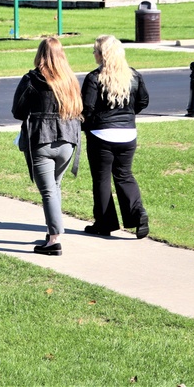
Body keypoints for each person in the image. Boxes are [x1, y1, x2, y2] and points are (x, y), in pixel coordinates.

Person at [12, 37, 83, 256]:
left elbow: (17, 111)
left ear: (41, 54)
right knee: (55, 186)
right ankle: (53, 233)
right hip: (69, 140)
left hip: (43, 139)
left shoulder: (32, 79)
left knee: (48, 191)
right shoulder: (70, 80)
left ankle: (54, 241)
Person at [81, 34, 150, 239]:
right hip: (128, 134)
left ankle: (105, 223)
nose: (93, 54)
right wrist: (127, 116)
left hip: (101, 135)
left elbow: (86, 107)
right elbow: (142, 101)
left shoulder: (94, 78)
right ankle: (138, 216)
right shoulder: (134, 76)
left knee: (101, 179)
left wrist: (92, 124)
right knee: (124, 175)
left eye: (95, 51)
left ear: (103, 55)